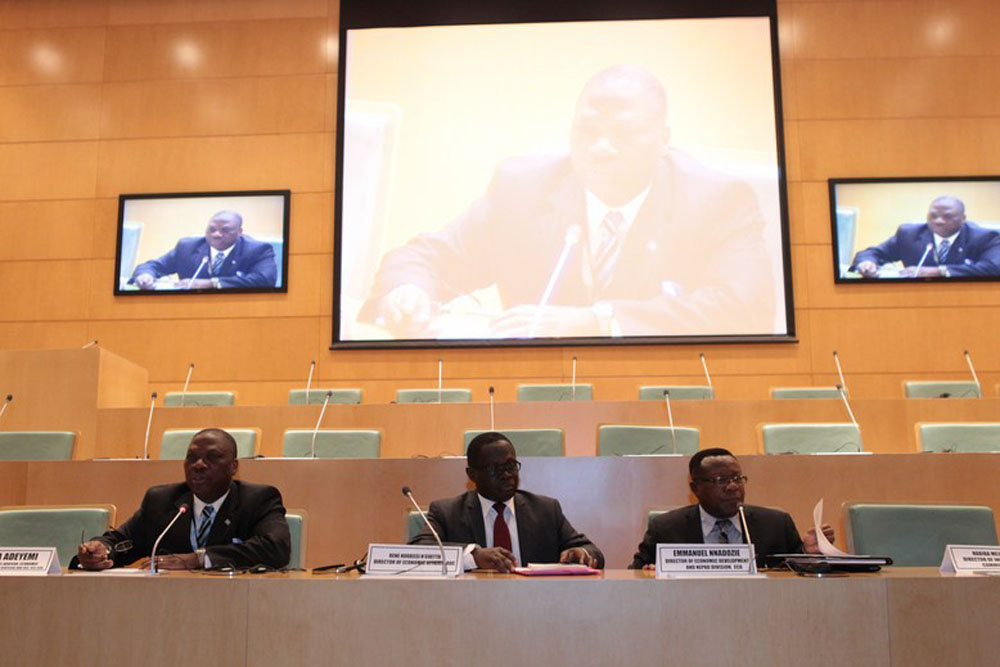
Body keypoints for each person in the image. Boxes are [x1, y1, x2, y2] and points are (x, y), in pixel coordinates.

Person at [360, 65, 774, 338]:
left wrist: (599, 321)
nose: (601, 148)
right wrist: (408, 291)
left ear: (663, 139)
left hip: (661, 389)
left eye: (624, 134)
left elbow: (743, 309)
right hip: (537, 388)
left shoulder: (717, 201)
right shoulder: (523, 189)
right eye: (587, 131)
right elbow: (426, 257)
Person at [74, 428, 290, 571]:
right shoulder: (162, 501)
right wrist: (102, 551)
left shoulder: (258, 499)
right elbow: (124, 541)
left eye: (212, 458)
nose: (199, 465)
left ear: (233, 467)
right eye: (191, 458)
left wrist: (198, 559)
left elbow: (276, 548)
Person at [410, 431, 604, 572]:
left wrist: (581, 554)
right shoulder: (447, 512)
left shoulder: (545, 510)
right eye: (494, 469)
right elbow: (419, 552)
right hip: (472, 606)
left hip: (536, 605)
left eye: (511, 466)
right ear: (472, 474)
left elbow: (592, 551)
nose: (506, 475)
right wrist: (473, 556)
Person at [629, 447, 834, 569]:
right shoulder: (666, 528)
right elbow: (635, 575)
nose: (733, 487)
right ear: (695, 488)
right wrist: (650, 574)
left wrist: (807, 552)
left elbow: (794, 570)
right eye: (721, 480)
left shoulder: (776, 524)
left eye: (737, 478)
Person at [851, 196, 1000, 278]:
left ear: (963, 218)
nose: (939, 221)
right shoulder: (909, 234)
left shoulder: (985, 237)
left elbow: (995, 267)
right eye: (933, 216)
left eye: (947, 216)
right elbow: (871, 253)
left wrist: (940, 271)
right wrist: (867, 263)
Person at [131, 210, 277, 289]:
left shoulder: (258, 250)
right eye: (211, 229)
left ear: (240, 232)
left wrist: (212, 283)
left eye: (225, 230)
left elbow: (265, 280)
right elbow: (152, 266)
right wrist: (145, 275)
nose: (216, 234)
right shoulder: (187, 247)